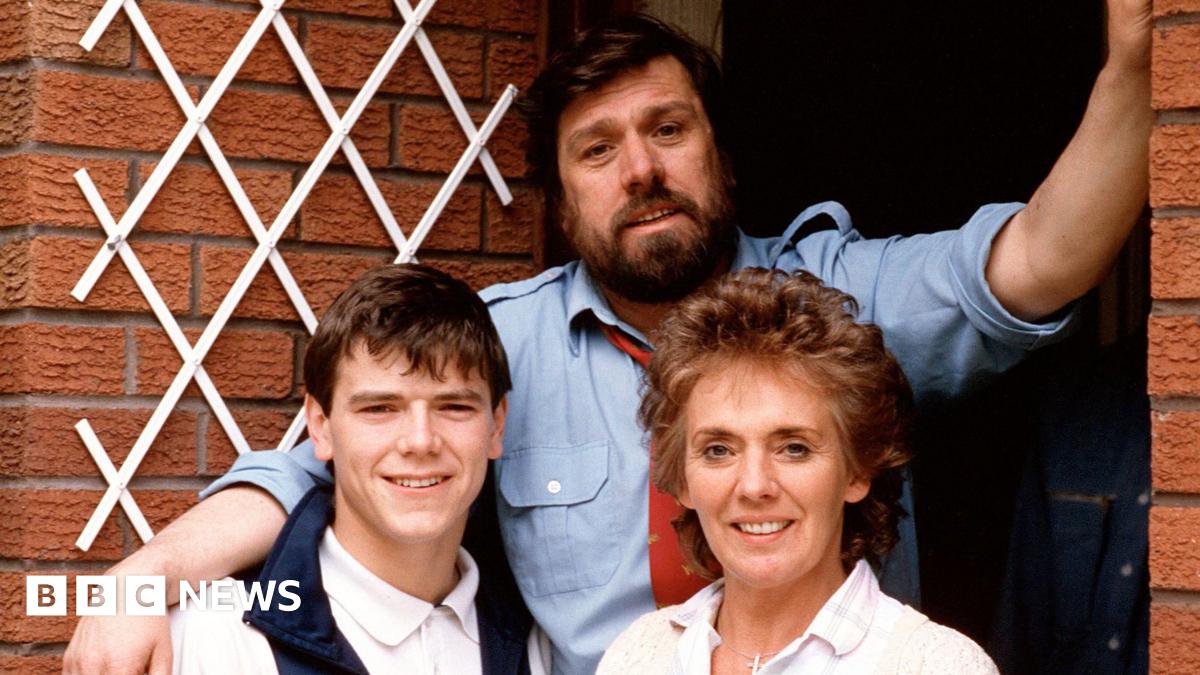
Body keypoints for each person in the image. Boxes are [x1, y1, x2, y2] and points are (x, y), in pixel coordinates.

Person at [64, 4, 1152, 674]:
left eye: (668, 131)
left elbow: (1043, 259)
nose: (641, 170)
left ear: (719, 154)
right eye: (598, 150)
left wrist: (1138, 74)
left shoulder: (839, 298)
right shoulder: (496, 352)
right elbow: (307, 470)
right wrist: (138, 581)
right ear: (559, 199)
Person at [598, 268, 996, 674]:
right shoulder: (638, 654)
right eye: (718, 450)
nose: (754, 485)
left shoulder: (936, 665)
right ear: (681, 479)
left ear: (857, 471)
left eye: (794, 448)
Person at [167, 265, 549, 674]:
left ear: (497, 425)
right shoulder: (218, 632)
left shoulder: (533, 635)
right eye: (380, 408)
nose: (420, 441)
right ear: (320, 426)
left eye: (454, 406)